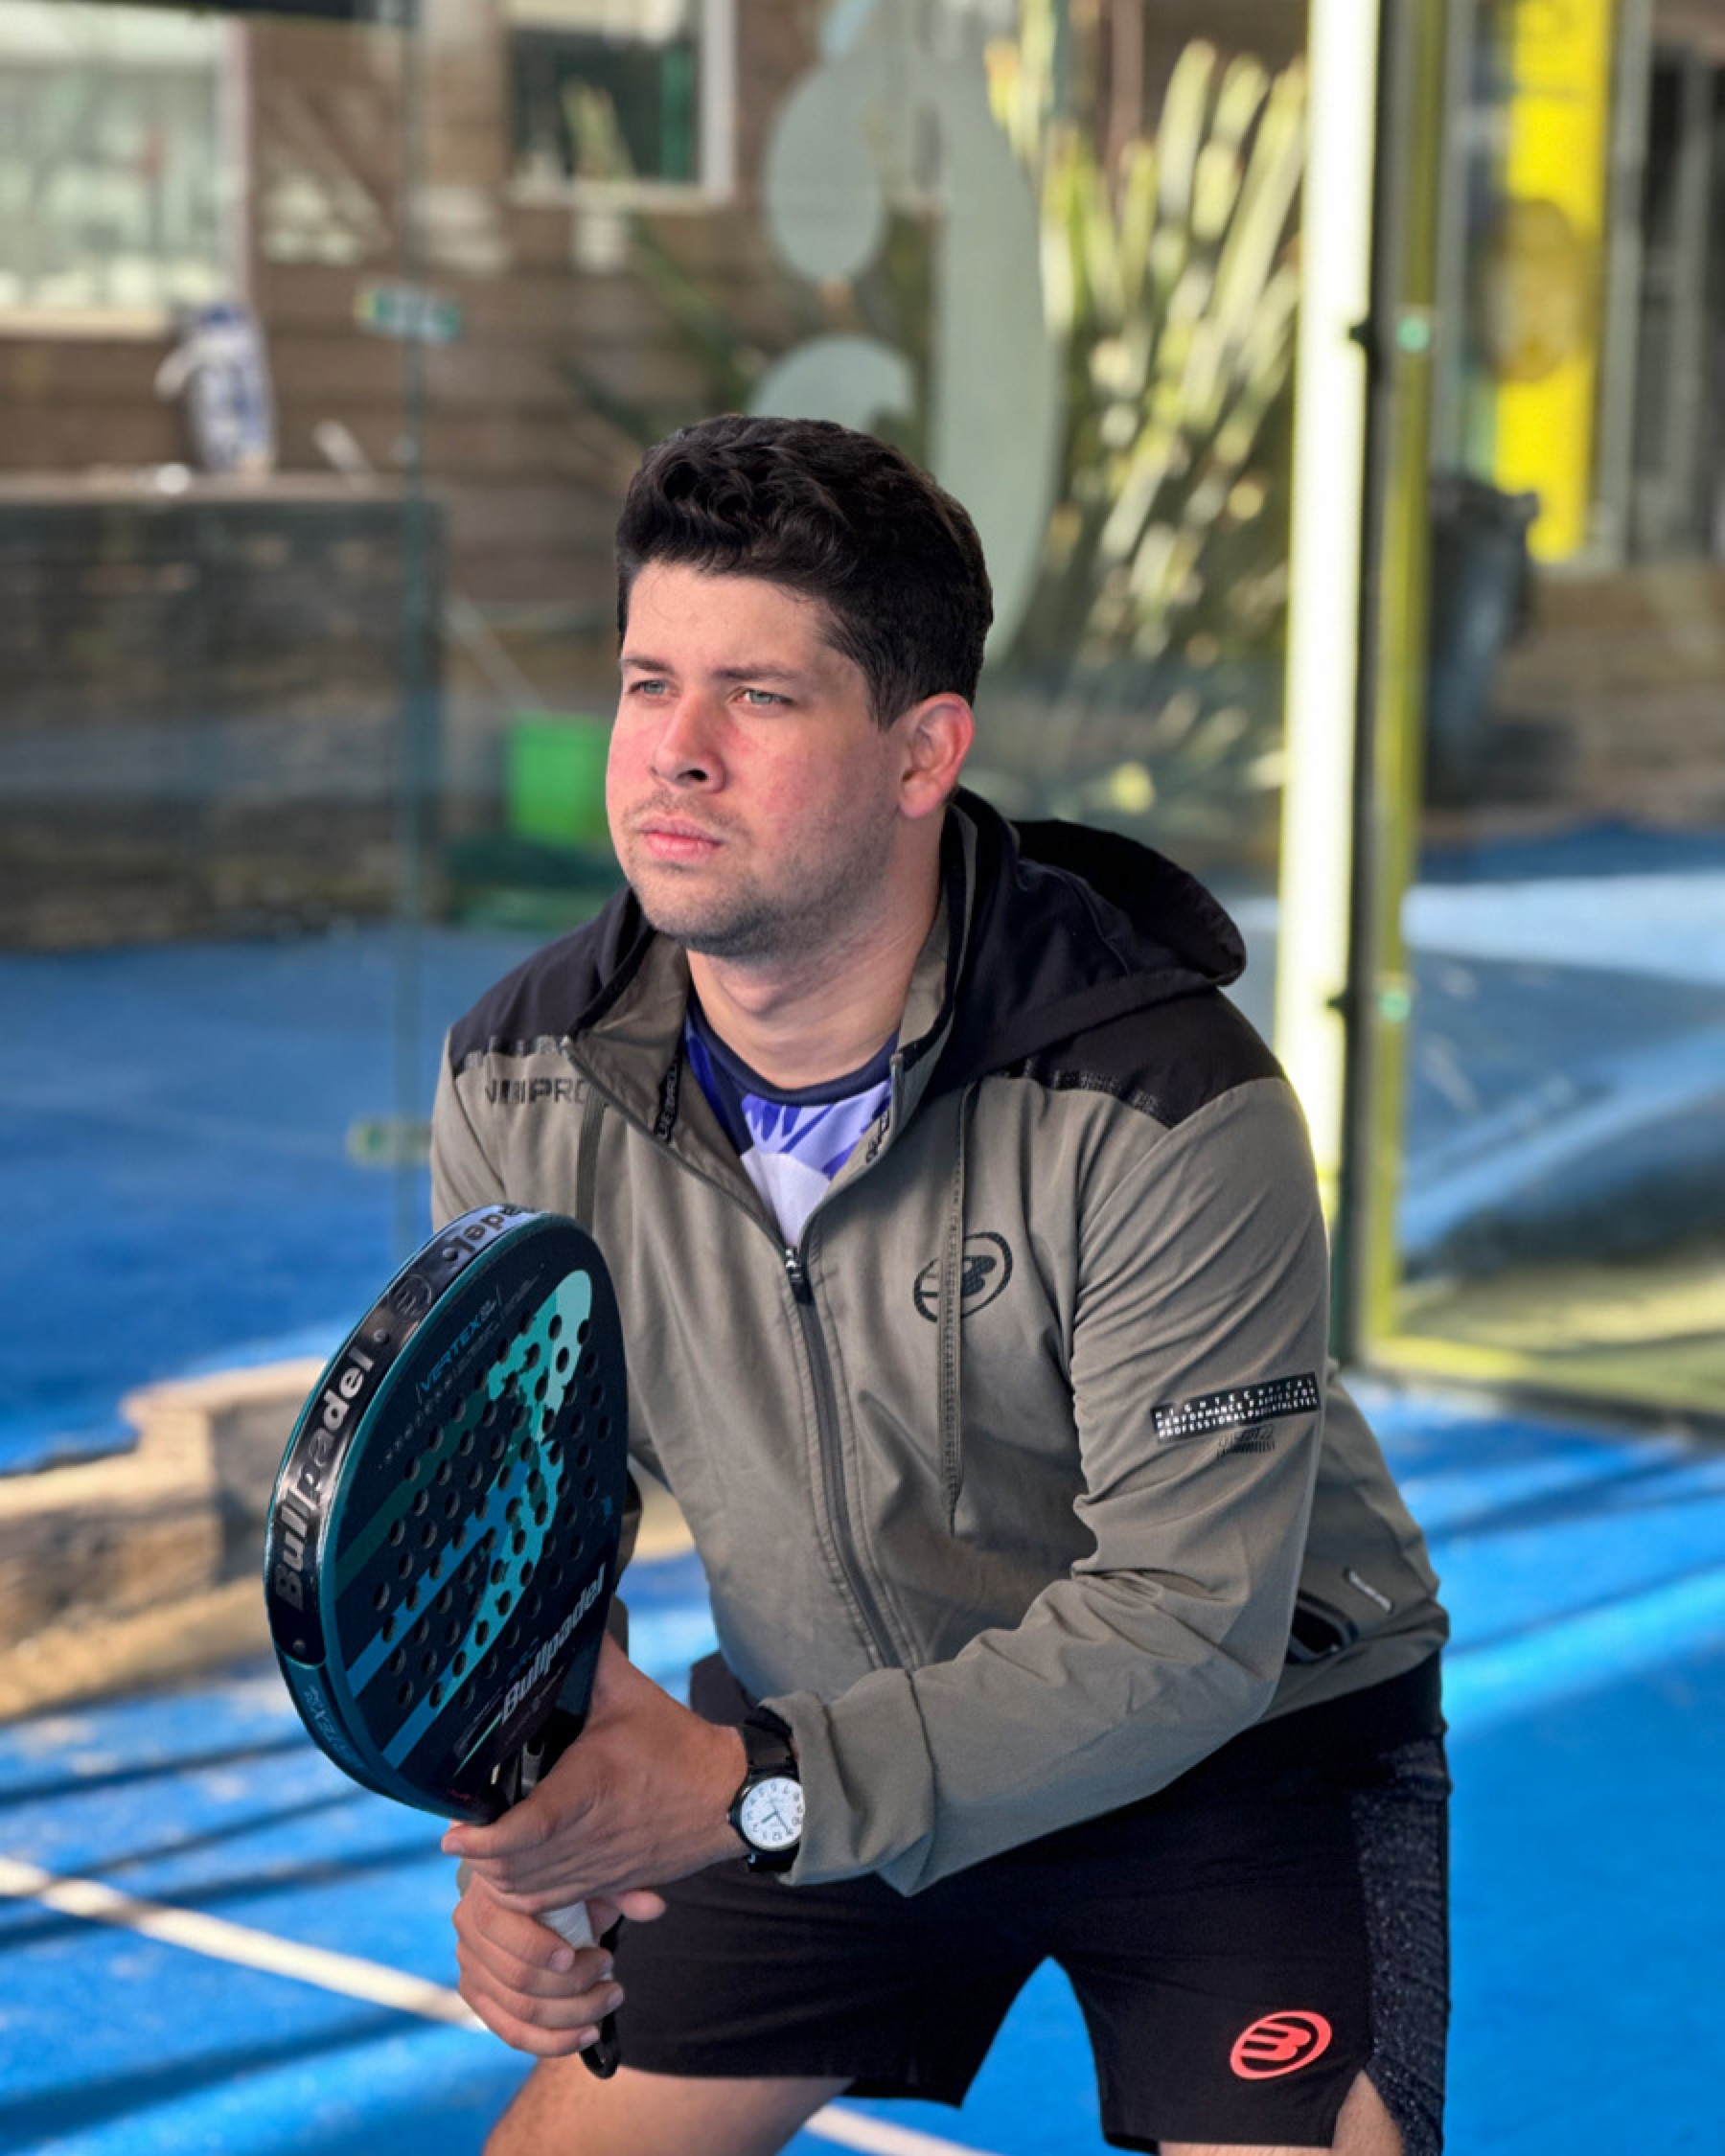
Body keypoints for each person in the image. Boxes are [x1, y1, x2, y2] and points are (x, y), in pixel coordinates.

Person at [432, 415, 1450, 2156]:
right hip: (820, 1733)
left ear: (924, 754)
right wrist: (541, 1827)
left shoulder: (1163, 1097)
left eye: (757, 697)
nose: (673, 752)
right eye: (647, 682)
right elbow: (533, 1532)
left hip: (1235, 1741)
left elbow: (1188, 1625)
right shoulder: (519, 1083)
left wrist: (753, 1791)